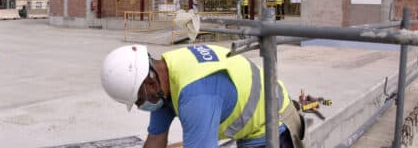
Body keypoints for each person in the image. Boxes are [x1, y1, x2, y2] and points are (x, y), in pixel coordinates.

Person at [101, 44, 306, 148]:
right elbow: (155, 141)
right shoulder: (166, 76)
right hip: (257, 123)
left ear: (149, 82)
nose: (141, 106)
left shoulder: (196, 97)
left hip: (274, 129)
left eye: (138, 99)